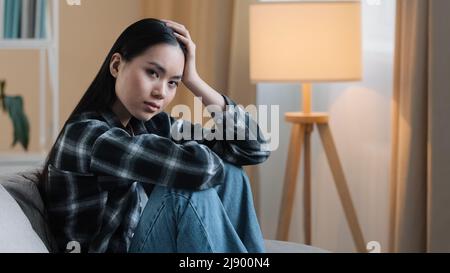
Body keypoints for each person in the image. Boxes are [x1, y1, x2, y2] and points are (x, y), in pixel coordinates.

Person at [39, 18, 270, 253]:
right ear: (116, 66)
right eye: (152, 73)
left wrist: (193, 80)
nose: (161, 92)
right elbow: (202, 168)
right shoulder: (87, 136)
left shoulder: (149, 126)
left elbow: (254, 148)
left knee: (232, 173)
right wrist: (201, 155)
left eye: (173, 83)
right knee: (181, 190)